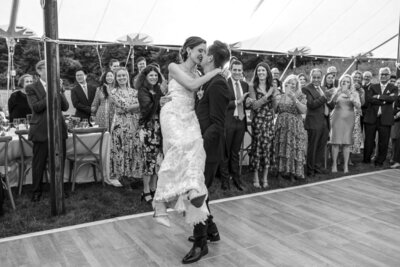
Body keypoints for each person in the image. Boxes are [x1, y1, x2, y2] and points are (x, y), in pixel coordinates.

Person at [152, 36, 224, 264]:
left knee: (194, 181)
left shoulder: (202, 76)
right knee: (191, 177)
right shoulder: (176, 68)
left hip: (193, 126)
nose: (202, 54)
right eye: (199, 50)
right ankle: (204, 233)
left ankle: (204, 237)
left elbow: (203, 101)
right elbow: (186, 89)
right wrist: (163, 101)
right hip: (175, 119)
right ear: (187, 50)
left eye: (205, 51)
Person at [25, 60, 69, 202]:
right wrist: (51, 90)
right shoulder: (31, 87)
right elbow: (37, 107)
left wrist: (59, 90)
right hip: (41, 130)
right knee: (39, 162)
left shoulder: (58, 86)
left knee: (59, 161)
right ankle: (36, 190)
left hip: (58, 129)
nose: (53, 72)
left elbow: (65, 107)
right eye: (48, 68)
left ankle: (58, 188)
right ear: (39, 71)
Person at [109, 67, 142, 187]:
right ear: (116, 78)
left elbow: (140, 106)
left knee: (133, 147)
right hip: (120, 124)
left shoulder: (134, 91)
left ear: (127, 76)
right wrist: (135, 106)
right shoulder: (113, 92)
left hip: (133, 123)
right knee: (119, 149)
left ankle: (132, 174)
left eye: (124, 75)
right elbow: (122, 107)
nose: (122, 78)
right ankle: (118, 175)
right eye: (119, 76)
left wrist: (134, 106)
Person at [219, 60, 249, 191]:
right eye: (235, 70)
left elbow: (246, 103)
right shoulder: (225, 83)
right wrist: (238, 101)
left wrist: (248, 102)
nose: (237, 72)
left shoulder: (245, 85)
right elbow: (223, 104)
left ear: (242, 71)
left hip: (241, 122)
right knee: (225, 153)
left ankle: (237, 179)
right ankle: (225, 181)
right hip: (228, 122)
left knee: (235, 153)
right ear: (230, 70)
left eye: (239, 70)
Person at [136, 65, 164, 203]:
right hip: (148, 129)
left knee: (157, 160)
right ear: (145, 77)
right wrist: (160, 100)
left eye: (156, 75)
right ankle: (145, 190)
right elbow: (148, 111)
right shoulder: (143, 91)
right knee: (148, 161)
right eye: (151, 75)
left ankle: (154, 188)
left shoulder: (158, 90)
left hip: (160, 128)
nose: (154, 77)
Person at [273, 74, 307, 181]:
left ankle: (292, 173)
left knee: (293, 148)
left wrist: (294, 99)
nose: (291, 85)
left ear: (297, 85)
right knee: (281, 148)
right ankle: (280, 172)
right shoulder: (281, 96)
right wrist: (274, 99)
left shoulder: (301, 96)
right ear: (285, 84)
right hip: (282, 126)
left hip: (295, 126)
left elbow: (303, 110)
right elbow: (275, 110)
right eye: (289, 83)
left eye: (294, 83)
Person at [248, 62, 275, 188]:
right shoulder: (252, 86)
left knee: (267, 148)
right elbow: (254, 105)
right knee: (257, 147)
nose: (261, 73)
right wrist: (268, 95)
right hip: (258, 120)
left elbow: (275, 107)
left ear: (267, 72)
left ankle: (265, 177)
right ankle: (255, 177)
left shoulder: (272, 86)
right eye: (259, 71)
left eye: (263, 70)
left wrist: (274, 96)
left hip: (269, 120)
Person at [363, 67, 398, 166]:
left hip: (385, 119)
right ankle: (366, 159)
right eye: (381, 74)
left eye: (385, 74)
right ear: (379, 75)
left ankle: (379, 161)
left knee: (384, 142)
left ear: (389, 76)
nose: (383, 76)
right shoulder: (373, 86)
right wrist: (385, 100)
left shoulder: (394, 87)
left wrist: (378, 96)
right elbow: (369, 99)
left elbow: (393, 98)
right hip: (371, 117)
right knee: (369, 140)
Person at [302, 68, 332, 177]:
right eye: (314, 77)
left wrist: (333, 99)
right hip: (313, 122)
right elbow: (311, 104)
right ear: (310, 77)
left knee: (321, 146)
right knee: (312, 147)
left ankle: (317, 167)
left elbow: (329, 105)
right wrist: (325, 97)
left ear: (321, 78)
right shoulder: (305, 89)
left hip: (324, 121)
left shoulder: (323, 88)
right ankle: (310, 170)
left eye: (318, 77)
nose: (316, 79)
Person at [329, 75, 361, 173]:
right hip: (337, 118)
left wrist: (351, 96)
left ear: (350, 83)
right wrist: (335, 95)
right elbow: (330, 104)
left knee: (347, 143)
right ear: (340, 82)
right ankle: (334, 164)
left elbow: (358, 106)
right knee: (335, 142)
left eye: (347, 82)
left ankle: (345, 166)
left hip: (349, 119)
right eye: (343, 81)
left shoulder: (354, 93)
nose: (344, 83)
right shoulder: (336, 91)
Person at [350, 70, 365, 156]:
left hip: (356, 114)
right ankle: (340, 157)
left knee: (354, 135)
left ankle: (349, 157)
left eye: (359, 77)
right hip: (347, 112)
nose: (357, 79)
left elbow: (362, 103)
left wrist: (361, 93)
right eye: (355, 77)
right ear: (352, 77)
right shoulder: (347, 85)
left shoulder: (362, 90)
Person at [390, 92, 400, 168]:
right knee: (397, 140)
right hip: (397, 120)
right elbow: (395, 109)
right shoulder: (398, 97)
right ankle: (396, 160)